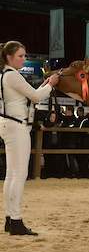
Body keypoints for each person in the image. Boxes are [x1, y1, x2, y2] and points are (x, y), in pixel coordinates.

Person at [0, 41, 59, 235]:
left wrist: (44, 84)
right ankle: (15, 220)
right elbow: (35, 97)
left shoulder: (6, 76)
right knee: (19, 174)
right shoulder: (12, 76)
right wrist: (50, 85)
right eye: (20, 56)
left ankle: (10, 219)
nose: (24, 59)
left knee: (11, 174)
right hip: (16, 126)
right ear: (9, 57)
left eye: (24, 56)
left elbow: (30, 93)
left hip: (9, 124)